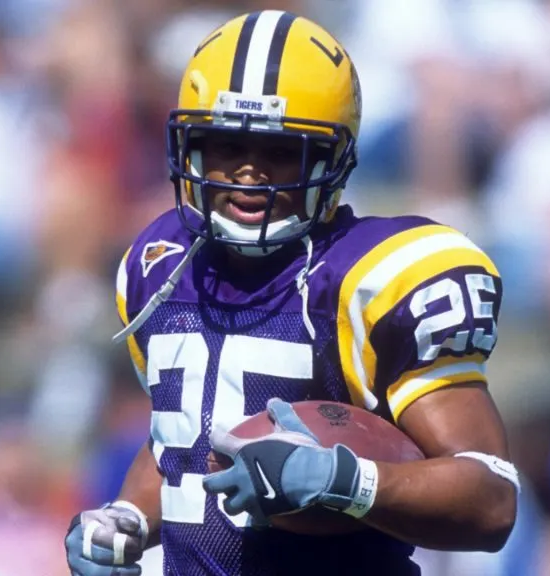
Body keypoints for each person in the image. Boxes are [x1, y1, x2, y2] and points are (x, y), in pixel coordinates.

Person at [65, 10, 518, 576]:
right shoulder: (162, 263)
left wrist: (344, 480)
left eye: (282, 152)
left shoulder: (373, 278)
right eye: (226, 145)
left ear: (334, 159)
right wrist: (128, 516)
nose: (249, 172)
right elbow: (184, 439)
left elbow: (491, 499)